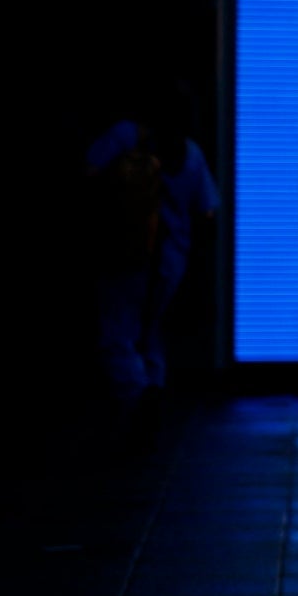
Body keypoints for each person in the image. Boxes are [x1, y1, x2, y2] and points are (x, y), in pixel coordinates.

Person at [85, 83, 220, 431]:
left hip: (125, 251)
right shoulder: (191, 153)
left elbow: (89, 172)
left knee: (117, 333)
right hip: (171, 260)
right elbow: (207, 210)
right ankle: (153, 394)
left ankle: (138, 398)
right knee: (153, 331)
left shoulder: (125, 135)